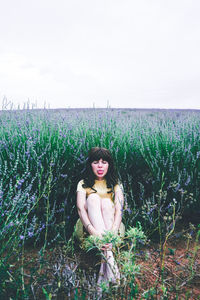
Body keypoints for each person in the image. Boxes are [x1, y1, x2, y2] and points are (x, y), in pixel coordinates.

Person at [76, 147, 124, 285]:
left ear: (109, 165)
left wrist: (113, 232)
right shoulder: (83, 183)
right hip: (88, 228)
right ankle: (113, 271)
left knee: (107, 204)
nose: (100, 166)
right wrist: (94, 233)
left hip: (113, 227)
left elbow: (119, 208)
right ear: (90, 164)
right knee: (92, 199)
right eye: (96, 162)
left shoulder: (115, 183)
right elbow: (81, 209)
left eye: (104, 162)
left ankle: (103, 275)